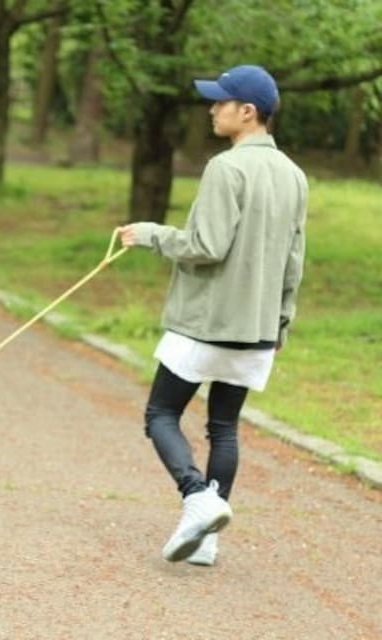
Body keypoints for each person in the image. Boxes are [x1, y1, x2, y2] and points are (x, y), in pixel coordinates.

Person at [117, 64, 308, 566]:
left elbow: (205, 245)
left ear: (247, 112)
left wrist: (150, 234)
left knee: (161, 415)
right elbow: (295, 260)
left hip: (206, 322)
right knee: (223, 427)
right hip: (257, 329)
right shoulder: (295, 175)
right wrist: (281, 322)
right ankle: (206, 540)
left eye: (221, 102)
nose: (212, 109)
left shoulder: (226, 167)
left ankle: (196, 497)